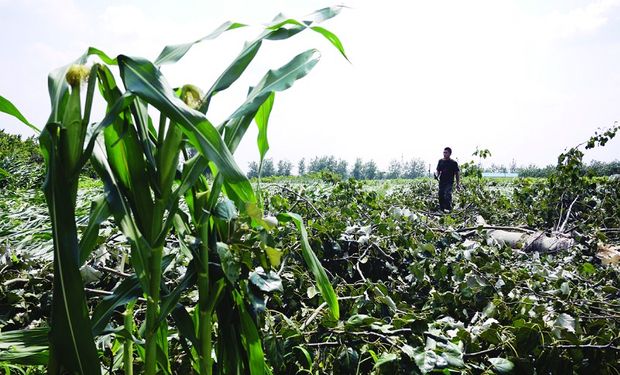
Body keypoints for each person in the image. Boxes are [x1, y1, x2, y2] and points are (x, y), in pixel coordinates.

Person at [435, 147, 460, 212]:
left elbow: (457, 173)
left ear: (450, 154)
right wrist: (437, 176)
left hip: (449, 182)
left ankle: (449, 209)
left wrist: (458, 184)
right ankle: (442, 209)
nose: (444, 154)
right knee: (441, 194)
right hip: (442, 181)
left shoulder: (453, 163)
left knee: (447, 194)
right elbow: (438, 170)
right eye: (444, 152)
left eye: (446, 153)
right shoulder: (440, 161)